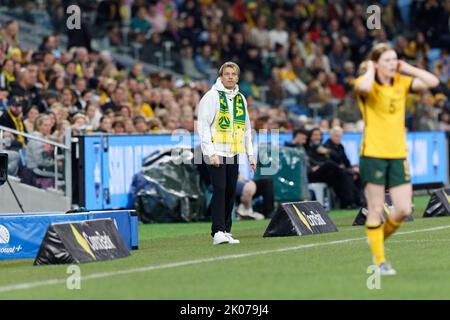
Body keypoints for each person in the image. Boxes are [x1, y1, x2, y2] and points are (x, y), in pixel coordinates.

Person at [354, 42, 439, 275]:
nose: (393, 64)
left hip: (398, 154)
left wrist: (407, 67)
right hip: (373, 154)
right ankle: (379, 261)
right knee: (375, 209)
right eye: (387, 60)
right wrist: (371, 69)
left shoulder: (402, 81)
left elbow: (433, 82)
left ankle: (376, 240)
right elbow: (361, 86)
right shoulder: (367, 84)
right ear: (376, 64)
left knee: (402, 209)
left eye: (394, 59)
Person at [197, 61, 255, 245]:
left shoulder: (240, 99)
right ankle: (217, 231)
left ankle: (226, 230)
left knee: (230, 191)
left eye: (233, 74)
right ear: (221, 76)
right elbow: (203, 125)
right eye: (227, 74)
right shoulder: (211, 96)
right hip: (216, 151)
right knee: (220, 190)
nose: (230, 77)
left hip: (234, 152)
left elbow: (246, 128)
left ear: (237, 78)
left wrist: (250, 154)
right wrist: (210, 152)